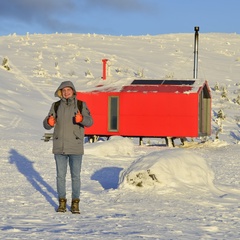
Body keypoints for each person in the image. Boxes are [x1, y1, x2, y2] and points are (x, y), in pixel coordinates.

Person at [43, 81, 93, 214]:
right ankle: (62, 203)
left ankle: (75, 203)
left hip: (75, 146)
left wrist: (81, 119)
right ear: (60, 92)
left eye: (68, 90)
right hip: (59, 147)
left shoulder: (81, 104)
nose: (66, 92)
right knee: (60, 176)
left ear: (73, 91)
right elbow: (46, 124)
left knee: (75, 176)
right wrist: (49, 122)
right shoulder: (56, 105)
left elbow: (90, 122)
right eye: (63, 90)